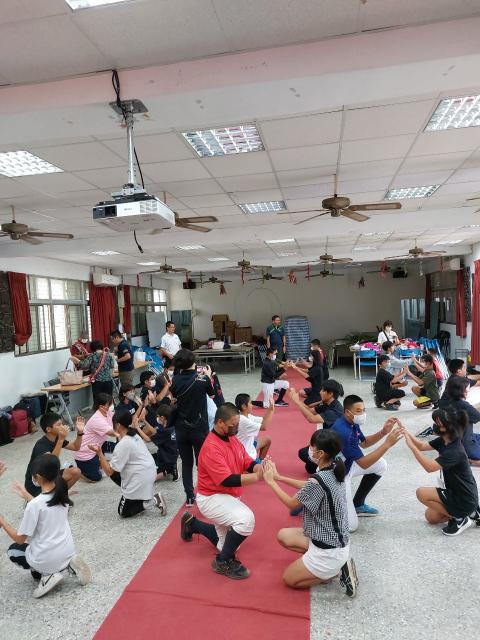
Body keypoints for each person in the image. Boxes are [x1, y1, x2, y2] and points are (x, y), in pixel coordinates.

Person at [262, 430, 358, 596]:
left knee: (289, 579)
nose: (309, 450)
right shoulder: (334, 467)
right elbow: (309, 485)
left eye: (312, 447)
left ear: (321, 453)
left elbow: (292, 504)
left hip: (329, 551)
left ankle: (333, 572)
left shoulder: (319, 479)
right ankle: (334, 566)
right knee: (283, 535)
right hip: (333, 540)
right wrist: (279, 478)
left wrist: (271, 482)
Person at [179, 403, 262, 580]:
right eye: (233, 424)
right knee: (246, 521)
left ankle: (192, 524)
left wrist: (258, 467)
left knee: (229, 544)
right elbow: (227, 480)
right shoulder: (211, 447)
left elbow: (246, 460)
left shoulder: (231, 438)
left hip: (227, 495)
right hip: (211, 497)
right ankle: (222, 561)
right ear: (220, 423)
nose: (236, 427)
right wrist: (257, 477)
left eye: (237, 423)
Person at [1, 454, 91, 598]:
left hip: (47, 558)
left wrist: (3, 522)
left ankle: (48, 575)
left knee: (13, 551)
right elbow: (45, 507)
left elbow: (20, 539)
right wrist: (26, 495)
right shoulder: (62, 494)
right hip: (67, 551)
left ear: (37, 477)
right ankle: (68, 564)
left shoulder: (34, 506)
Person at [403, 408, 480, 536]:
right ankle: (471, 512)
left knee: (421, 493)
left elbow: (429, 467)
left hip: (463, 497)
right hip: (457, 493)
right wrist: (405, 432)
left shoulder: (455, 450)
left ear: (446, 428)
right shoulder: (445, 440)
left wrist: (412, 448)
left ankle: (460, 518)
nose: (434, 425)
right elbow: (421, 446)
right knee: (431, 517)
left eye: (437, 423)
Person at [331, 395, 403, 530]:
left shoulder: (351, 422)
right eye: (358, 411)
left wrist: (383, 432)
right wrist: (387, 444)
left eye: (364, 410)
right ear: (347, 412)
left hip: (347, 464)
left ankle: (358, 504)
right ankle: (328, 505)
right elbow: (364, 464)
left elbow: (363, 443)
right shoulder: (344, 432)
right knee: (351, 527)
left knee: (380, 465)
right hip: (337, 475)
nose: (362, 414)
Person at [89, 410, 167, 518]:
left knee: (123, 512)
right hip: (149, 472)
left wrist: (99, 453)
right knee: (117, 470)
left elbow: (109, 471)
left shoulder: (123, 444)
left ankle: (153, 500)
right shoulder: (134, 435)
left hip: (140, 477)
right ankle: (137, 496)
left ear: (118, 425)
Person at [170, 348, 215, 507]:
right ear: (193, 362)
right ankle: (205, 492)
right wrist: (208, 376)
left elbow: (174, 397)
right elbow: (212, 394)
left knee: (186, 462)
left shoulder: (175, 379)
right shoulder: (202, 379)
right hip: (199, 426)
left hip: (181, 427)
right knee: (202, 462)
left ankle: (189, 496)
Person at [24, 412, 83, 498]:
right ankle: (47, 498)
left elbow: (75, 447)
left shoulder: (57, 438)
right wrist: (61, 439)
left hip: (49, 476)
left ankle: (59, 496)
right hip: (37, 484)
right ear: (48, 429)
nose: (63, 426)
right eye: (59, 425)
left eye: (62, 424)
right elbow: (51, 463)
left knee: (76, 472)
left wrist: (80, 432)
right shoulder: (41, 445)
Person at [291, 381, 344, 474]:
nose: (320, 392)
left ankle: (330, 464)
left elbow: (311, 419)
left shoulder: (335, 410)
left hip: (334, 444)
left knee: (303, 453)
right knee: (309, 467)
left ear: (330, 394)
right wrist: (297, 401)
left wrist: (297, 402)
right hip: (328, 438)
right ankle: (322, 464)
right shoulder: (328, 403)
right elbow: (310, 411)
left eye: (323, 390)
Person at [72, 394, 118, 482]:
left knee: (119, 451)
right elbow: (113, 433)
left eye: (112, 403)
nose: (112, 406)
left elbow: (119, 418)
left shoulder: (108, 412)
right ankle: (78, 471)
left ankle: (100, 460)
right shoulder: (97, 419)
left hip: (98, 446)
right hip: (85, 454)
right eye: (109, 404)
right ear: (101, 407)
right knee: (96, 478)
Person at [439, 376, 480, 466]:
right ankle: (469, 460)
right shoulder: (464, 406)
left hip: (456, 440)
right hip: (467, 444)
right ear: (463, 392)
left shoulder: (449, 402)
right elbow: (478, 417)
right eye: (468, 389)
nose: (469, 390)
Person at [235, 394, 274, 462]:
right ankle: (258, 464)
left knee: (267, 440)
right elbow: (264, 427)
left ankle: (260, 461)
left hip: (250, 446)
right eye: (250, 403)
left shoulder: (247, 416)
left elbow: (264, 420)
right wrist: (271, 409)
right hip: (246, 454)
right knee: (267, 468)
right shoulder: (243, 420)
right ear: (244, 406)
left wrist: (271, 408)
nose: (252, 405)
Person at [152, 404, 178, 481]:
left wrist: (137, 427)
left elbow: (148, 439)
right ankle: (171, 468)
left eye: (158, 416)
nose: (157, 418)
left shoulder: (166, 431)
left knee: (149, 478)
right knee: (148, 458)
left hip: (166, 460)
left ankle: (170, 470)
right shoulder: (172, 426)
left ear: (162, 418)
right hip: (169, 455)